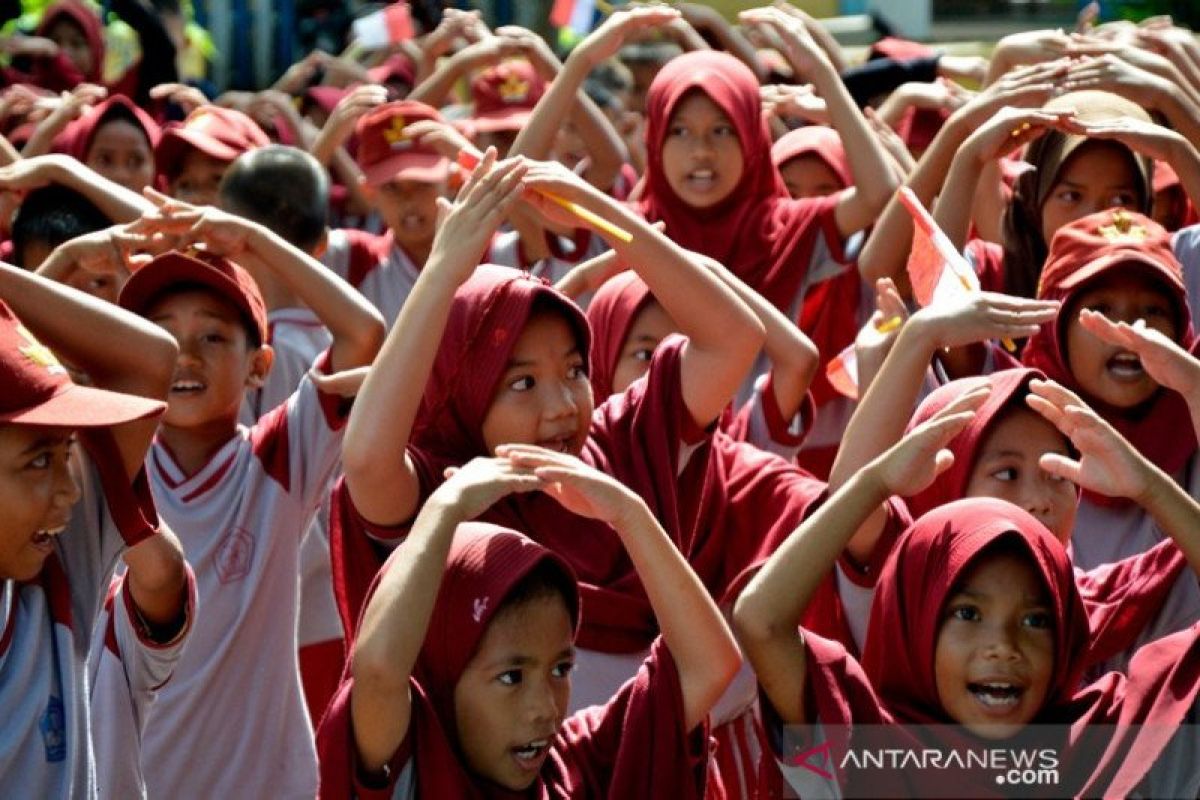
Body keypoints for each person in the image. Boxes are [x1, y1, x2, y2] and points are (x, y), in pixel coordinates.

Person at [734, 401, 1200, 798]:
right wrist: (873, 482)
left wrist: (1150, 488)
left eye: (1036, 620)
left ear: (1067, 633)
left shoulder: (1110, 737)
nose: (1003, 646)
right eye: (968, 613)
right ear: (914, 626)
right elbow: (761, 621)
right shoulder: (862, 749)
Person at [108, 199, 383, 798]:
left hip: (267, 785)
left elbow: (364, 332)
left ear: (259, 367)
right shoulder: (109, 460)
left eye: (212, 335)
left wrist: (255, 237)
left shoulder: (277, 458)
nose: (185, 356)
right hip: (137, 780)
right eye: (162, 337)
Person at [317, 451, 740, 798]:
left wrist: (629, 514)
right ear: (441, 670)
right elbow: (377, 672)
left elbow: (708, 665)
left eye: (560, 670)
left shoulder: (581, 766)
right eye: (511, 677)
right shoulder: (411, 773)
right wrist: (444, 509)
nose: (546, 709)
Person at [0, 258, 191, 798]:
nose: (71, 489)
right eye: (39, 461)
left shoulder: (56, 568)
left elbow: (150, 360)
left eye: (67, 454)